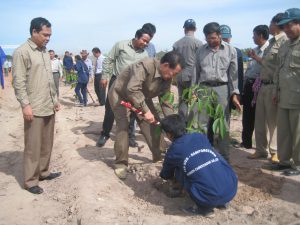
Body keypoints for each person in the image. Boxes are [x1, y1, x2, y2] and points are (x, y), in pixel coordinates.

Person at [108, 51, 184, 179]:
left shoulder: (167, 78)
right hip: (121, 95)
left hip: (141, 96)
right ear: (165, 65)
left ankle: (159, 155)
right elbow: (132, 89)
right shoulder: (145, 65)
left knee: (153, 124)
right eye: (174, 73)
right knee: (123, 127)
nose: (174, 77)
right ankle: (121, 163)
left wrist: (172, 123)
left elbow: (165, 101)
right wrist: (146, 111)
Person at [12, 17, 61, 194]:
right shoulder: (22, 52)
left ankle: (43, 172)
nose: (48, 38)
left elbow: (49, 79)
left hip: (48, 105)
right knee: (33, 145)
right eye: (45, 35)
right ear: (34, 32)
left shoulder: (43, 51)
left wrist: (54, 100)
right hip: (34, 107)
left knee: (47, 143)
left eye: (50, 35)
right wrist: (25, 105)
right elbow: (18, 82)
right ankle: (31, 181)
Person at [160, 114, 237, 217]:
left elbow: (165, 174)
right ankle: (222, 202)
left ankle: (204, 209)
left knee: (179, 171)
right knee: (213, 157)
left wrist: (173, 180)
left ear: (169, 135)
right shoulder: (199, 136)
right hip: (231, 189)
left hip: (209, 198)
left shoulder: (173, 150)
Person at [193, 22, 241, 161]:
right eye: (208, 38)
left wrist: (234, 94)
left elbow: (233, 75)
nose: (211, 41)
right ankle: (202, 155)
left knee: (222, 124)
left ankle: (224, 157)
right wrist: (194, 91)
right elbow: (196, 72)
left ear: (220, 36)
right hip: (204, 89)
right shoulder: (201, 50)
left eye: (213, 38)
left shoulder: (230, 50)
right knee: (201, 123)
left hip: (222, 89)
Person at [96, 28, 151, 147]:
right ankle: (105, 134)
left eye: (148, 42)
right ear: (137, 36)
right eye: (144, 40)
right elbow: (109, 60)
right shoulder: (121, 45)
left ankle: (130, 137)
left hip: (133, 85)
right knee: (110, 109)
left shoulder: (145, 54)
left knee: (132, 110)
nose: (145, 44)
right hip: (117, 81)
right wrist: (104, 76)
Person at [246, 14, 288, 161]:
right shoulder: (271, 42)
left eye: (271, 22)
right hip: (263, 85)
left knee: (273, 122)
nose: (269, 25)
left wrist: (278, 88)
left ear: (277, 24)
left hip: (272, 86)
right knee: (260, 120)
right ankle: (261, 149)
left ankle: (275, 151)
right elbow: (267, 63)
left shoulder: (284, 41)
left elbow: (278, 67)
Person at [271, 8, 300, 176]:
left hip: (297, 97)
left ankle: (298, 165)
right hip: (283, 96)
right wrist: (276, 91)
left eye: (289, 26)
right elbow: (279, 71)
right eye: (284, 27)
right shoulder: (285, 46)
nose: (286, 30)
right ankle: (284, 161)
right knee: (283, 132)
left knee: (298, 133)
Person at [129, 23, 157, 148]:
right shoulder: (131, 46)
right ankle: (131, 136)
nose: (147, 41)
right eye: (147, 34)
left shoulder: (151, 48)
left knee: (143, 109)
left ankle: (141, 134)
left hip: (145, 84)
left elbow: (154, 62)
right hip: (133, 82)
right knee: (131, 110)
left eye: (151, 36)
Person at [241, 25, 269, 149]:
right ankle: (246, 142)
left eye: (254, 35)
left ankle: (262, 147)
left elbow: (267, 66)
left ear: (261, 35)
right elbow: (250, 69)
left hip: (260, 86)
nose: (253, 37)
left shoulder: (267, 50)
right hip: (250, 85)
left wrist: (255, 58)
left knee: (260, 117)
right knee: (247, 115)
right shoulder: (254, 49)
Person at [173, 19, 203, 121]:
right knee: (196, 100)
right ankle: (192, 123)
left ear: (184, 29)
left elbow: (174, 60)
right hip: (193, 76)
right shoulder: (198, 43)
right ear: (195, 29)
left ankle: (182, 123)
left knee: (183, 100)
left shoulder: (176, 43)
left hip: (180, 75)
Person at [219, 25, 244, 95]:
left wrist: (239, 92)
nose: (225, 40)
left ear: (230, 38)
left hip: (232, 88)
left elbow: (239, 74)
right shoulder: (212, 52)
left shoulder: (236, 51)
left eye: (226, 38)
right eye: (223, 38)